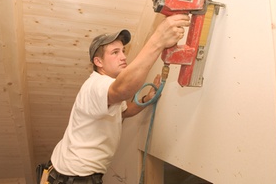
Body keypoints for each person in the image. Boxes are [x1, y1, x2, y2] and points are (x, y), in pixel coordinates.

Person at [43, 14, 190, 183]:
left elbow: (125, 112)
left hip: (67, 170)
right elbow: (123, 90)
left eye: (123, 51)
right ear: (98, 62)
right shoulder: (96, 85)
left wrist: (146, 99)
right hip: (72, 176)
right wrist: (158, 40)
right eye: (115, 52)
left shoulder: (108, 92)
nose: (123, 57)